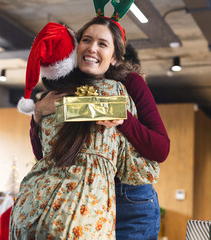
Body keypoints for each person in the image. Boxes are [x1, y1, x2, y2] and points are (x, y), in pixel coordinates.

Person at [10, 19, 162, 239]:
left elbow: (160, 149)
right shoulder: (62, 92)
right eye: (87, 40)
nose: (92, 48)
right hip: (80, 197)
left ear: (116, 58)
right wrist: (38, 113)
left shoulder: (128, 85)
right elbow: (46, 155)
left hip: (129, 198)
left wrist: (123, 119)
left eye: (103, 44)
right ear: (76, 46)